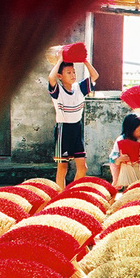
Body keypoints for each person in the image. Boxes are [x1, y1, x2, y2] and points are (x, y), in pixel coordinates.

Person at [48, 56, 99, 188]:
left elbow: (95, 75)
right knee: (62, 168)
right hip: (63, 129)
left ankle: (71, 193)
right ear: (61, 76)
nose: (73, 75)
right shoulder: (57, 91)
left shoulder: (79, 88)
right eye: (68, 73)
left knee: (83, 168)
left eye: (74, 72)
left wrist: (85, 61)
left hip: (77, 128)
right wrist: (59, 60)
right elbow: (51, 78)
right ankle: (60, 195)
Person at [109, 113, 140, 190]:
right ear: (131, 129)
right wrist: (121, 159)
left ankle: (128, 199)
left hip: (133, 165)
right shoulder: (120, 140)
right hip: (118, 165)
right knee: (117, 184)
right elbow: (113, 159)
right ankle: (110, 200)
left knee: (132, 185)